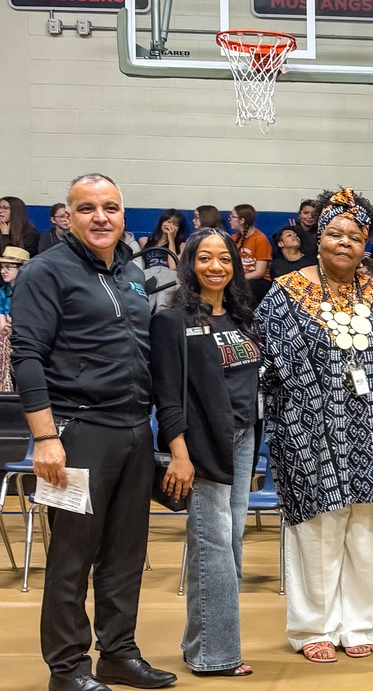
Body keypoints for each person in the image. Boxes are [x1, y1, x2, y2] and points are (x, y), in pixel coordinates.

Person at [10, 173, 176, 691]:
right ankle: (68, 668)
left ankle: (119, 654)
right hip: (76, 432)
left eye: (109, 207)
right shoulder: (45, 271)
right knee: (71, 558)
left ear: (124, 216)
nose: (100, 217)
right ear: (68, 216)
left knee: (126, 555)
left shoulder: (131, 275)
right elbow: (27, 357)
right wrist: (44, 437)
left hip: (132, 432)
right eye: (87, 208)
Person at [255, 188, 373, 663]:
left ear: (367, 243)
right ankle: (314, 629)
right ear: (317, 238)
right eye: (333, 233)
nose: (344, 242)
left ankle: (361, 622)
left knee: (368, 532)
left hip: (372, 432)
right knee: (317, 532)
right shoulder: (285, 294)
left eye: (354, 235)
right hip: (309, 434)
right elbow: (271, 362)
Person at [150, 228, 259, 677]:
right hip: (202, 445)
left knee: (228, 543)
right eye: (205, 258)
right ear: (189, 263)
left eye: (225, 259)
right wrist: (179, 453)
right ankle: (216, 655)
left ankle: (200, 641)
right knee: (213, 546)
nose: (216, 266)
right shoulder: (171, 319)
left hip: (244, 438)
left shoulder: (241, 316)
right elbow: (167, 395)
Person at [229, 204, 272, 303]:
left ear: (242, 220)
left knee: (244, 288)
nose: (230, 219)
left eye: (232, 216)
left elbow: (259, 273)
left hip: (258, 281)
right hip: (240, 278)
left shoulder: (260, 239)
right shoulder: (233, 238)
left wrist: (237, 279)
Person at [0, 246, 29, 391]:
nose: (2, 271)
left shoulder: (31, 291)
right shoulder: (2, 293)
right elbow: (2, 324)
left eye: (8, 267)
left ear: (21, 269)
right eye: (2, 267)